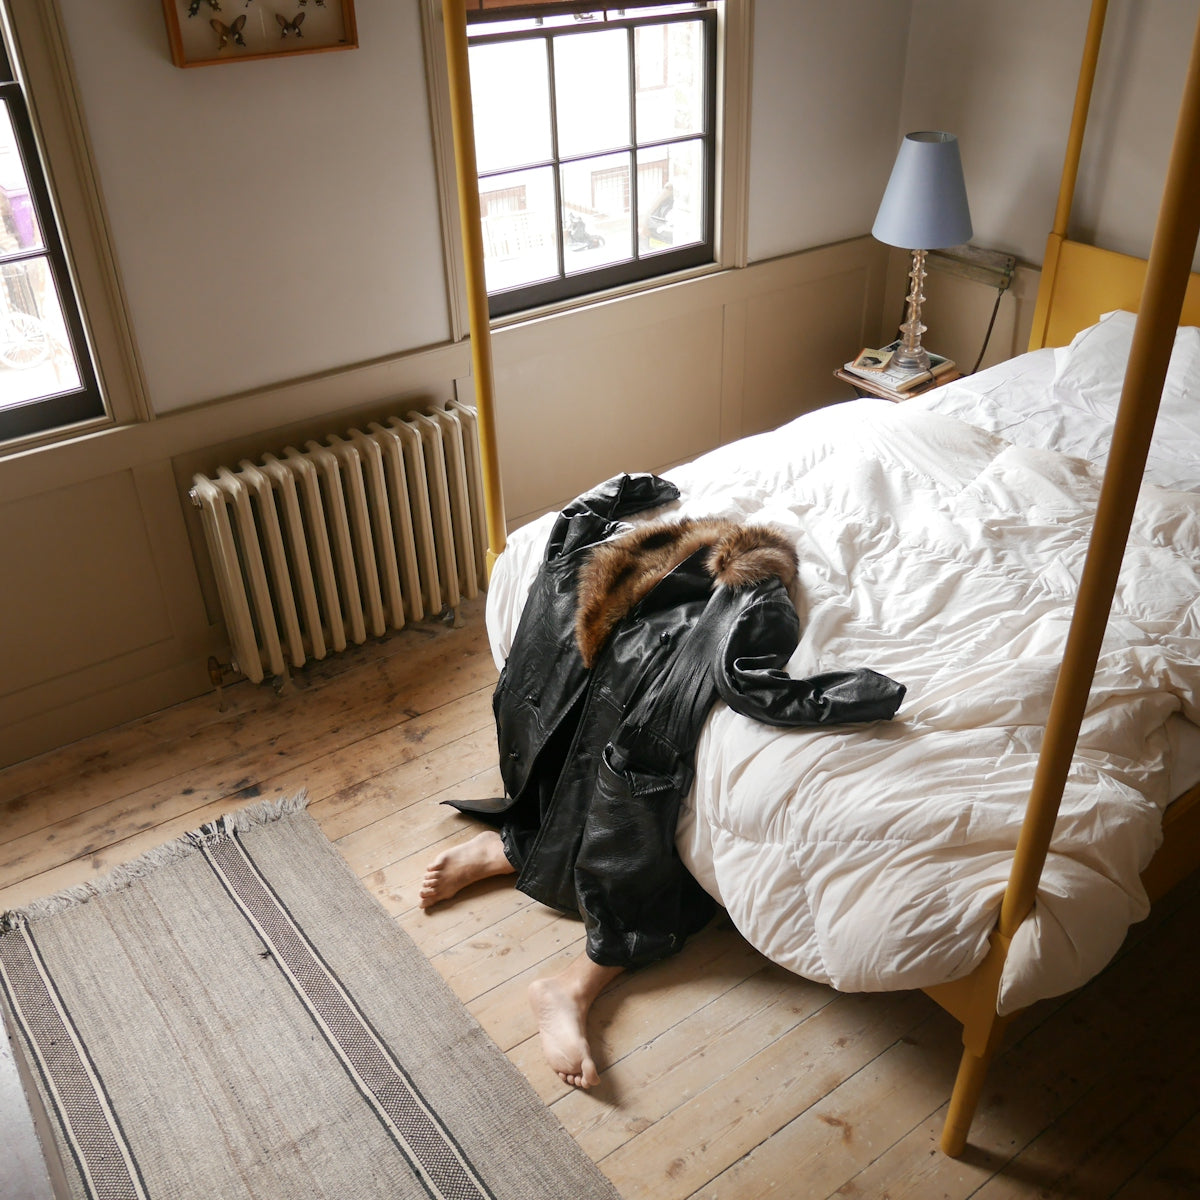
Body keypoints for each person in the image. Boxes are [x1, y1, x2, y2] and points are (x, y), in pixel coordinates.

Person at [420, 474, 905, 1089]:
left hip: (611, 686)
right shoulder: (758, 594)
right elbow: (756, 685)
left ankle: (553, 944)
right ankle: (531, 886)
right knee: (638, 825)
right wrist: (867, 695)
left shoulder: (655, 549)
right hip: (638, 720)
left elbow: (571, 527)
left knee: (615, 756)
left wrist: (629, 490)